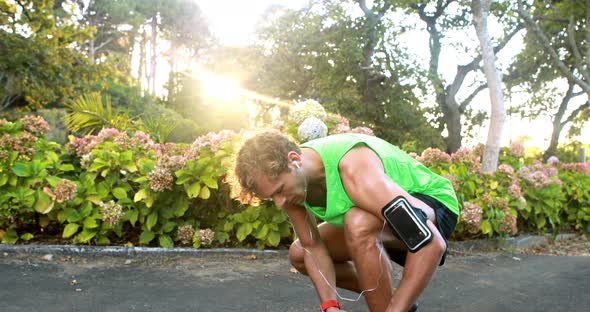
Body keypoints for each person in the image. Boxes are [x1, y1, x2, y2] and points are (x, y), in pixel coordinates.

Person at [233, 130, 459, 312]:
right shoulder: (294, 183)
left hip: (433, 205)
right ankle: (392, 301)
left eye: (280, 190)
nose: (280, 203)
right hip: (380, 218)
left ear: (294, 161)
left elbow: (430, 244)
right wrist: (329, 306)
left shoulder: (355, 170)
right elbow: (312, 247)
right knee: (300, 252)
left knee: (357, 222)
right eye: (272, 197)